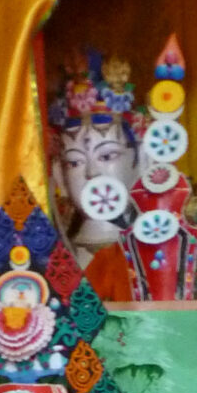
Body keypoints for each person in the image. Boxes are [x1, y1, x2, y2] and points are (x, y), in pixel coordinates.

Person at [46, 52, 144, 300]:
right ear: (60, 175)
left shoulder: (156, 253)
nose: (92, 173)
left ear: (141, 163)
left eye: (108, 156)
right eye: (75, 162)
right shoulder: (51, 259)